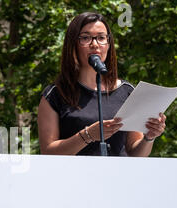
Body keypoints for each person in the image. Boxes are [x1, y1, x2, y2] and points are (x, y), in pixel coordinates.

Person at [38, 12, 166, 156]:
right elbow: (47, 152)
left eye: (101, 38)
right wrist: (87, 136)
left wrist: (149, 137)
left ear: (109, 44)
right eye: (86, 38)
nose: (95, 44)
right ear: (73, 44)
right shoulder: (55, 94)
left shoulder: (127, 91)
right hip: (74, 177)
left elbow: (135, 154)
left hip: (118, 177)